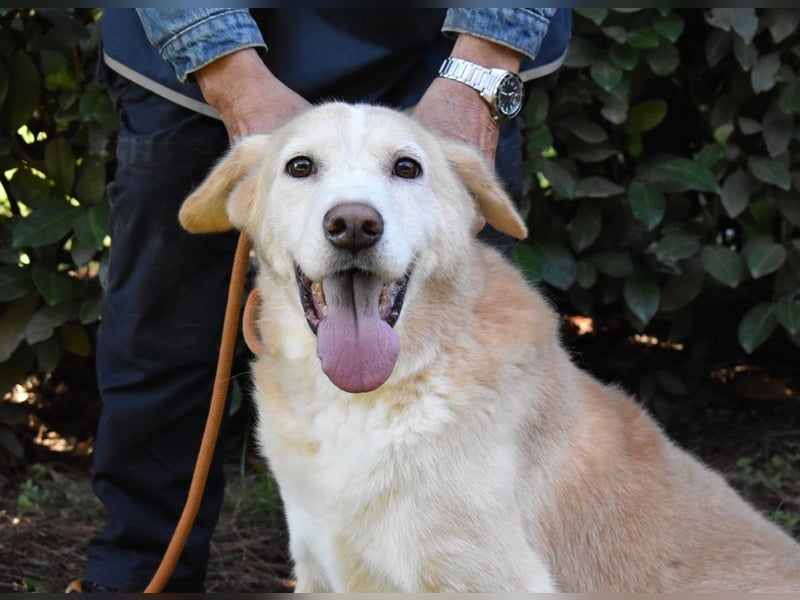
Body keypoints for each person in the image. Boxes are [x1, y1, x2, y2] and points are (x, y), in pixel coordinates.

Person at [73, 8, 571, 593]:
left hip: (449, 59)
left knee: (464, 359)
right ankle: (137, 574)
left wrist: (481, 68)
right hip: (186, 54)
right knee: (161, 342)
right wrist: (229, 73)